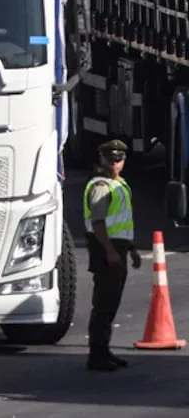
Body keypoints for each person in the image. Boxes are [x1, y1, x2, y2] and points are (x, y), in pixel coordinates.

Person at [83, 139, 141, 371]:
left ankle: (104, 350)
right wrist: (109, 251)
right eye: (111, 159)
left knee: (111, 303)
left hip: (118, 248)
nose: (115, 164)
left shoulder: (119, 183)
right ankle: (96, 355)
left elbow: (123, 222)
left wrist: (132, 249)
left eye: (119, 159)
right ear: (102, 159)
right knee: (104, 304)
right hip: (106, 250)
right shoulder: (101, 187)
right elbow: (98, 224)